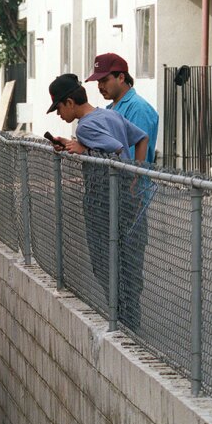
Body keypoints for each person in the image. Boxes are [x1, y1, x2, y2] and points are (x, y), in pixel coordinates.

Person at [46, 73, 149, 331]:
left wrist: (85, 149)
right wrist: (135, 173)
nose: (58, 114)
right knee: (127, 263)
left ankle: (122, 322)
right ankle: (129, 322)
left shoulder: (84, 127)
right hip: (127, 197)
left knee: (104, 262)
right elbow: (142, 138)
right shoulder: (109, 114)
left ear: (70, 102)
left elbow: (113, 148)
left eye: (58, 107)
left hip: (104, 202)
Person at [87, 54, 158, 332]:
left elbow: (140, 147)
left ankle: (130, 325)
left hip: (130, 199)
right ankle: (120, 318)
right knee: (107, 261)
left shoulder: (138, 108)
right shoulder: (111, 107)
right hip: (111, 198)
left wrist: (131, 186)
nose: (100, 86)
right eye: (97, 81)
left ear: (121, 77)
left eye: (104, 80)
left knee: (128, 264)